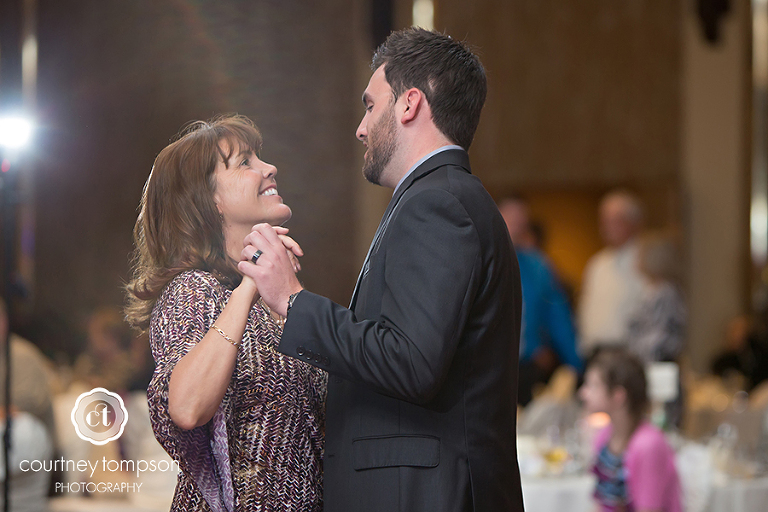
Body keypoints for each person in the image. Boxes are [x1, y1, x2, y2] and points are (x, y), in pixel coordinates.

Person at [239, 28, 524, 512]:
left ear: (409, 104)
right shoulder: (441, 198)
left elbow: (412, 362)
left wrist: (293, 301)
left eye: (371, 106)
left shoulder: (438, 203)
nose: (360, 127)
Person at [125, 115, 326, 512]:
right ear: (208, 199)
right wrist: (250, 282)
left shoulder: (273, 301)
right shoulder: (194, 291)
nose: (269, 168)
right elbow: (185, 407)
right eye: (245, 162)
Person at [498, 196, 582, 406]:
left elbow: (558, 316)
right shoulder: (478, 258)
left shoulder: (537, 266)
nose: (517, 226)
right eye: (512, 219)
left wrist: (576, 365)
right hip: (489, 366)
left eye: (522, 220)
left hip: (525, 366)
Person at [578, 347, 682, 512]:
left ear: (619, 396)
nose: (583, 393)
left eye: (594, 386)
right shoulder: (604, 436)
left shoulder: (649, 445)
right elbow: (602, 505)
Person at [578, 190, 645, 356]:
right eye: (604, 221)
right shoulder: (597, 263)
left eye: (615, 221)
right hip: (595, 352)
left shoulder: (644, 262)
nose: (607, 227)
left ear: (633, 223)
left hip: (628, 352)